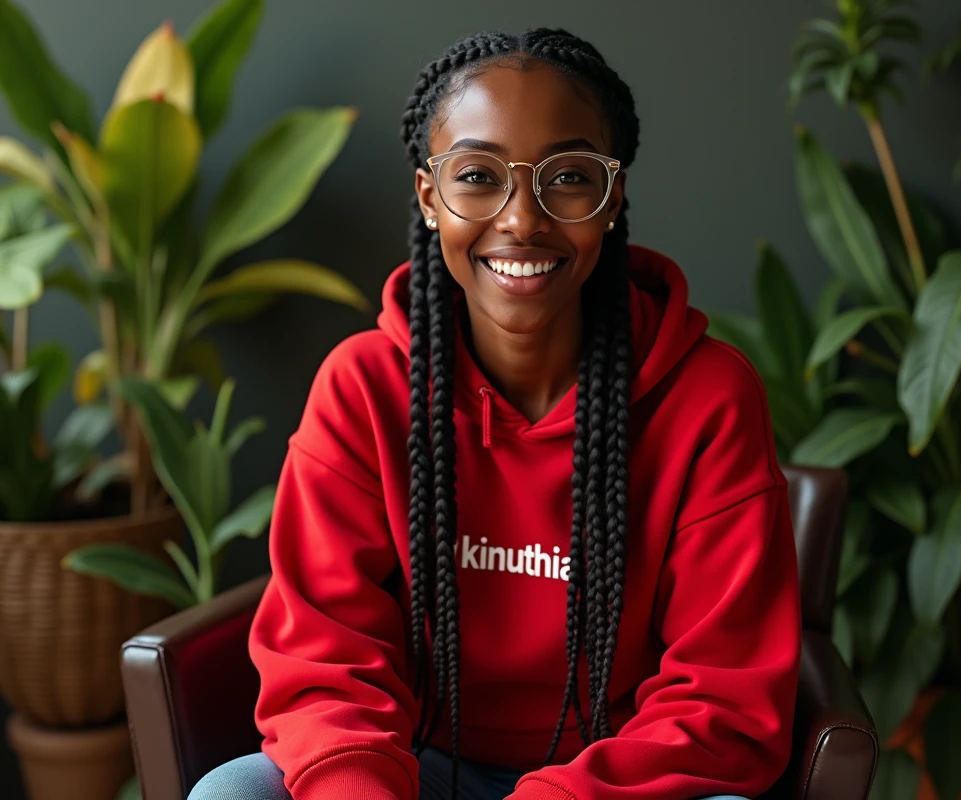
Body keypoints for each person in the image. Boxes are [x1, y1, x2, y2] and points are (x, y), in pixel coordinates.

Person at [188, 27, 801, 800]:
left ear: (612, 199)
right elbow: (324, 659)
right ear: (429, 197)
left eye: (569, 177)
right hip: (410, 767)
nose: (522, 220)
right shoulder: (364, 387)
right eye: (477, 176)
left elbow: (723, 698)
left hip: (619, 779)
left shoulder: (707, 398)